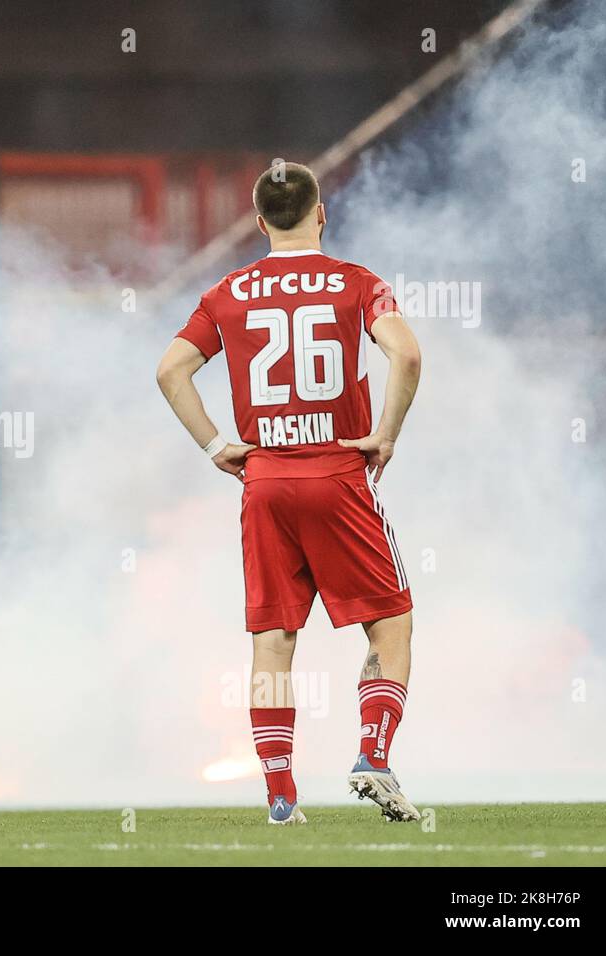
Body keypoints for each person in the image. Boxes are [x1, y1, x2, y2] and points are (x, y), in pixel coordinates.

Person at [156, 162, 423, 824]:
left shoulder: (229, 292)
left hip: (266, 481)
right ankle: (373, 757)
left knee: (273, 640)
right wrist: (384, 434)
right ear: (321, 212)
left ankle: (280, 795)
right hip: (338, 475)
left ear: (259, 221)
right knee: (390, 623)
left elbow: (170, 371)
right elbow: (408, 356)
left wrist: (217, 445)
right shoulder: (357, 284)